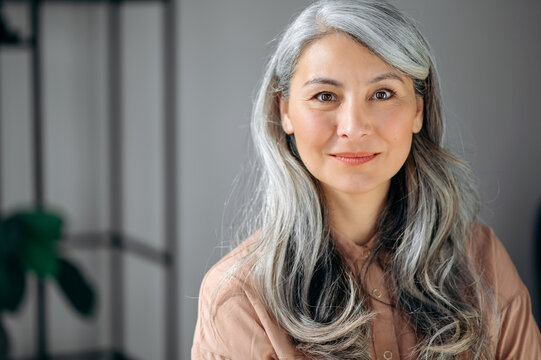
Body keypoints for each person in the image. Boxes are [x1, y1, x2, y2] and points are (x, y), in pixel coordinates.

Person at [192, 0, 541, 358]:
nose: (354, 127)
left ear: (418, 109)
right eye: (325, 96)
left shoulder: (482, 258)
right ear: (285, 110)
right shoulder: (238, 298)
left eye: (382, 94)